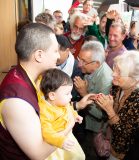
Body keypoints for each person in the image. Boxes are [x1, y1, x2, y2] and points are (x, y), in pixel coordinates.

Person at [0, 23, 94, 160]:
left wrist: (77, 106)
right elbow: (38, 153)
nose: (58, 56)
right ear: (39, 55)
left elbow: (47, 108)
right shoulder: (16, 102)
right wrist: (69, 124)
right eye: (55, 51)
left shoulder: (33, 76)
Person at [96, 50, 139, 160]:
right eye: (115, 68)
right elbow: (106, 116)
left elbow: (126, 136)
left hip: (123, 153)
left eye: (120, 72)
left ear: (135, 80)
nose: (113, 74)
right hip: (109, 139)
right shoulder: (117, 85)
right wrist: (103, 103)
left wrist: (109, 110)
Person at [74, 41, 113, 160]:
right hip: (85, 122)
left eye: (84, 62)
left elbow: (101, 114)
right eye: (79, 59)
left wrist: (83, 93)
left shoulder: (106, 80)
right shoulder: (90, 69)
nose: (79, 65)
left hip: (96, 129)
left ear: (96, 64)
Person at [39, 68, 85, 160]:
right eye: (67, 94)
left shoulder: (62, 102)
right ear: (52, 95)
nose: (71, 96)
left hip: (68, 136)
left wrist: (75, 115)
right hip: (56, 143)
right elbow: (47, 132)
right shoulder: (45, 111)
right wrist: (60, 141)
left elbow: (69, 108)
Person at [56, 35, 83, 101]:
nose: (55, 56)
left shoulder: (76, 68)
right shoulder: (48, 60)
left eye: (57, 52)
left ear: (67, 51)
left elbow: (73, 94)